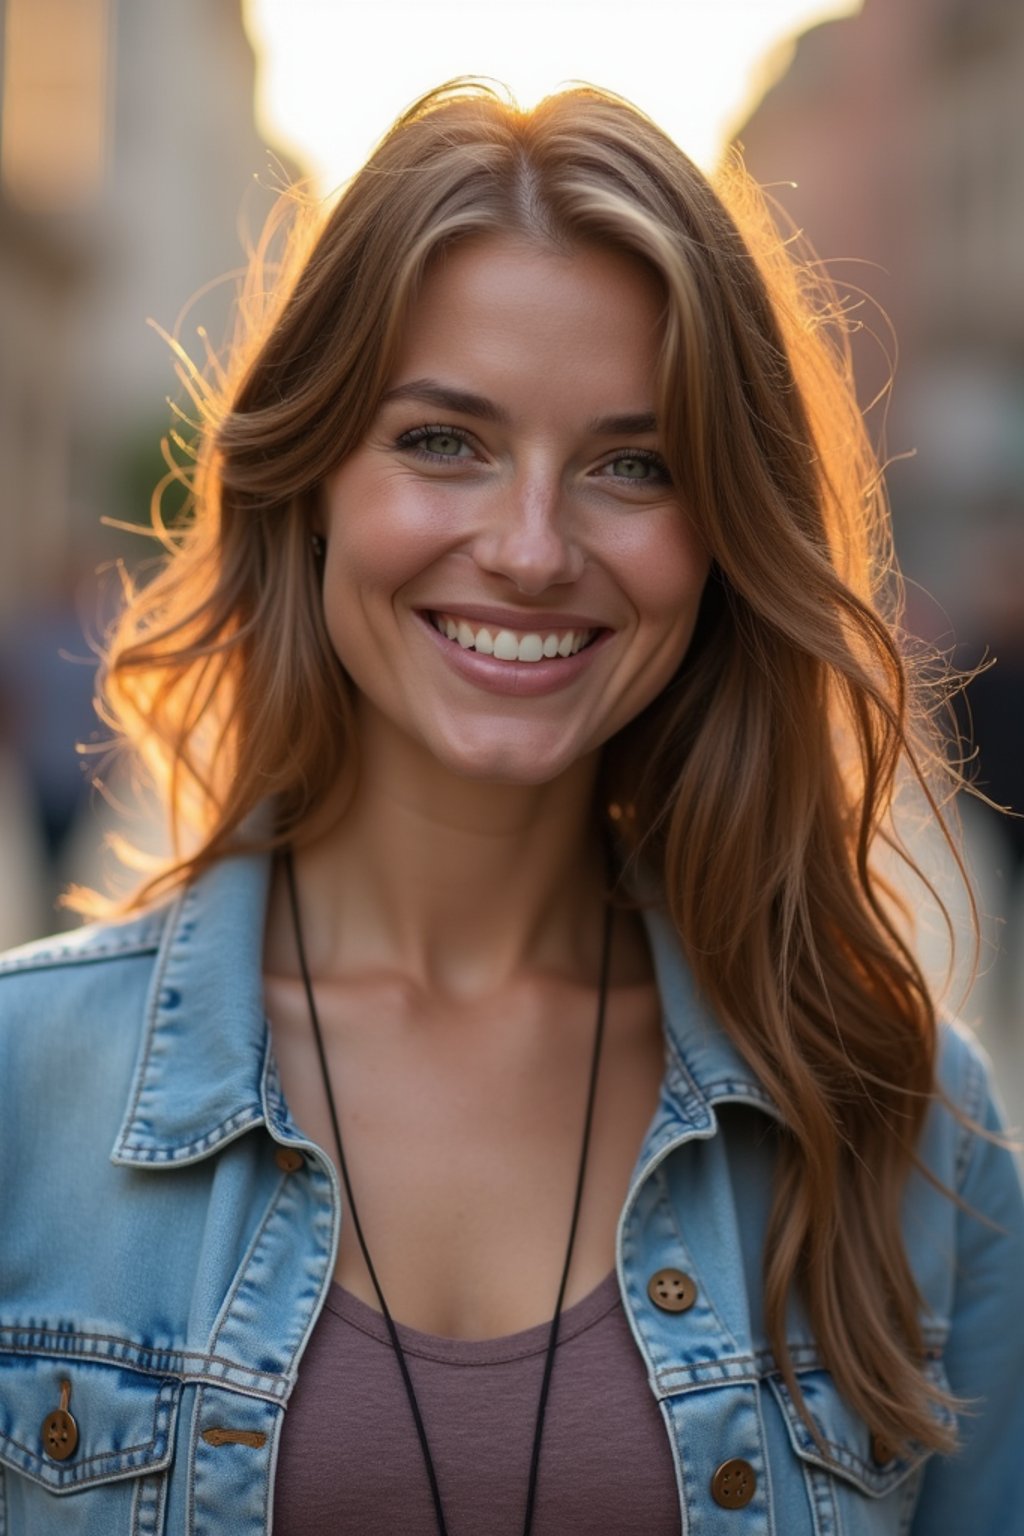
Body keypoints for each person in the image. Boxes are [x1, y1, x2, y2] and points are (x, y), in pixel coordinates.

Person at [0, 79, 1021, 1536]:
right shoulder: (20, 1099)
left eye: (632, 465)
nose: (533, 550)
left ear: (724, 536)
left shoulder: (908, 1131)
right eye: (443, 441)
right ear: (313, 482)